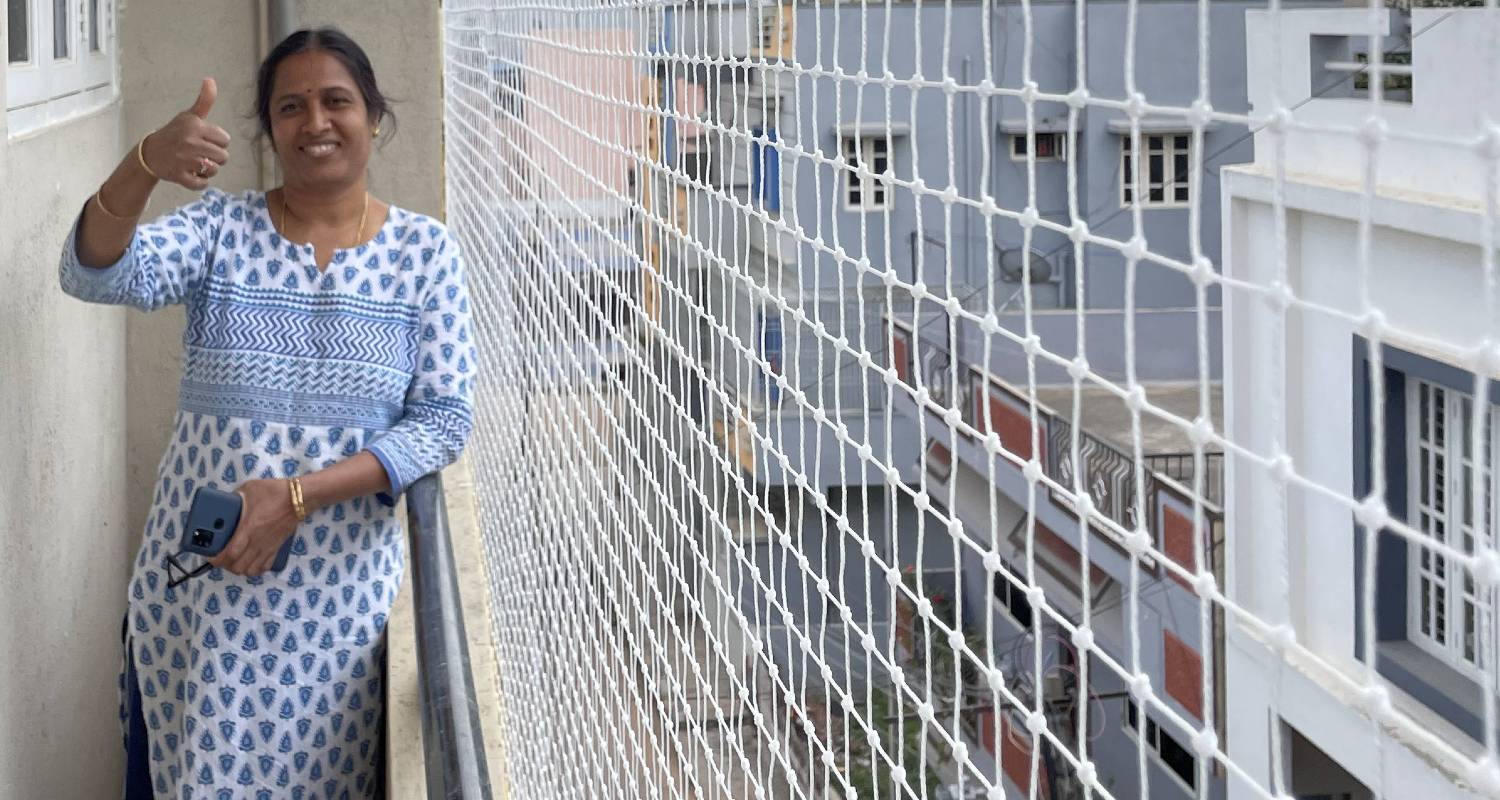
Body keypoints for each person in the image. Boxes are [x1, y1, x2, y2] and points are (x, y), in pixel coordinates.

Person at [58, 27, 476, 798]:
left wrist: (295, 497)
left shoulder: (427, 253)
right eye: (291, 106)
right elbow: (94, 271)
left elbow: (444, 419)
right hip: (197, 604)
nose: (315, 121)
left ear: (374, 116)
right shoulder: (221, 231)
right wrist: (145, 162)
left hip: (333, 625)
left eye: (336, 101)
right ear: (270, 130)